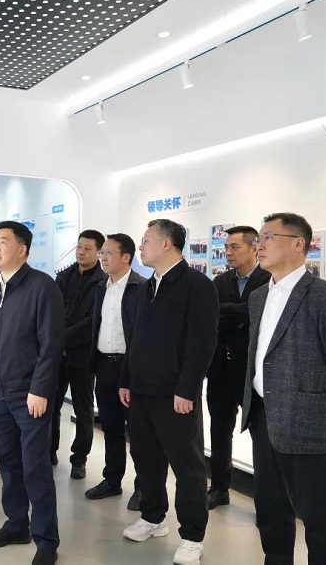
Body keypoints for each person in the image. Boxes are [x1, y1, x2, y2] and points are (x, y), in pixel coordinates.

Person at [240, 213, 326, 564]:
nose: (259, 245)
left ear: (299, 243)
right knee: (270, 511)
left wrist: (321, 411)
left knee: (320, 522)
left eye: (268, 237)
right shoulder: (258, 296)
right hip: (263, 419)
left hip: (310, 426)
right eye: (258, 239)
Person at [118, 219, 218, 565]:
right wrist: (126, 379)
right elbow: (136, 337)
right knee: (145, 457)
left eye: (146, 240)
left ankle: (192, 536)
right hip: (141, 390)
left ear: (166, 244)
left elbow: (202, 344)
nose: (140, 247)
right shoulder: (147, 286)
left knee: (187, 466)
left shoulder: (197, 286)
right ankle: (152, 517)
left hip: (175, 394)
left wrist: (187, 389)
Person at [0, 221, 65, 565]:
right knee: (7, 463)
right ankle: (16, 524)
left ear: (22, 250)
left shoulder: (42, 286)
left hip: (29, 397)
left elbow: (51, 344)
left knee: (35, 467)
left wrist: (40, 389)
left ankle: (46, 541)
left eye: (3, 242)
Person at [206, 226, 270, 508]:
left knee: (262, 437)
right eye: (226, 248)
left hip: (253, 372)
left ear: (254, 247)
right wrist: (241, 315)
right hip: (221, 368)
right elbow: (212, 314)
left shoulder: (268, 280)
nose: (228, 253)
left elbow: (257, 314)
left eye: (234, 247)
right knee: (219, 432)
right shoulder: (220, 281)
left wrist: (231, 313)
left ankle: (266, 501)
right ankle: (219, 489)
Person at [85, 233, 145, 511]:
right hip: (104, 365)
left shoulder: (140, 288)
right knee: (110, 427)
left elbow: (142, 335)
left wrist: (132, 373)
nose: (103, 258)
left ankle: (144, 487)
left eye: (109, 253)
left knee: (139, 432)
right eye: (102, 253)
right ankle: (112, 480)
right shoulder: (101, 287)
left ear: (126, 257)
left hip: (130, 367)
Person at [51, 230, 106, 477]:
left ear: (98, 252)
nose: (81, 252)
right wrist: (57, 342)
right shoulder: (63, 277)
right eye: (79, 247)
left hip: (83, 354)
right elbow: (52, 312)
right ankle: (48, 451)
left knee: (83, 408)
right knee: (51, 405)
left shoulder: (102, 282)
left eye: (87, 248)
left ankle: (79, 459)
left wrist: (64, 339)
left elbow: (92, 320)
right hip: (57, 354)